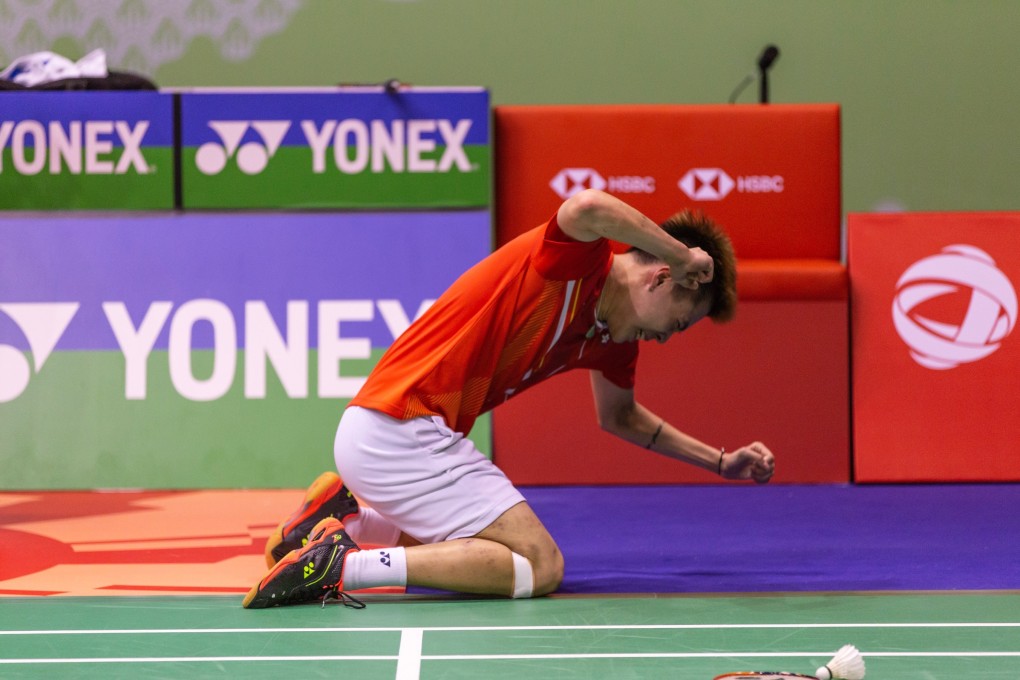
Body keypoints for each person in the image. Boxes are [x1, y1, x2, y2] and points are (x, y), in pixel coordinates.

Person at [243, 189, 775, 609]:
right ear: (663, 277)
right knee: (538, 566)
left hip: (385, 434)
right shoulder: (574, 263)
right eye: (677, 325)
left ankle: (336, 527)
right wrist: (681, 252)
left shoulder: (612, 339)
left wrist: (721, 461)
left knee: (468, 556)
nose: (665, 339)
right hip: (404, 428)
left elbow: (621, 417)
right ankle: (341, 565)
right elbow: (586, 206)